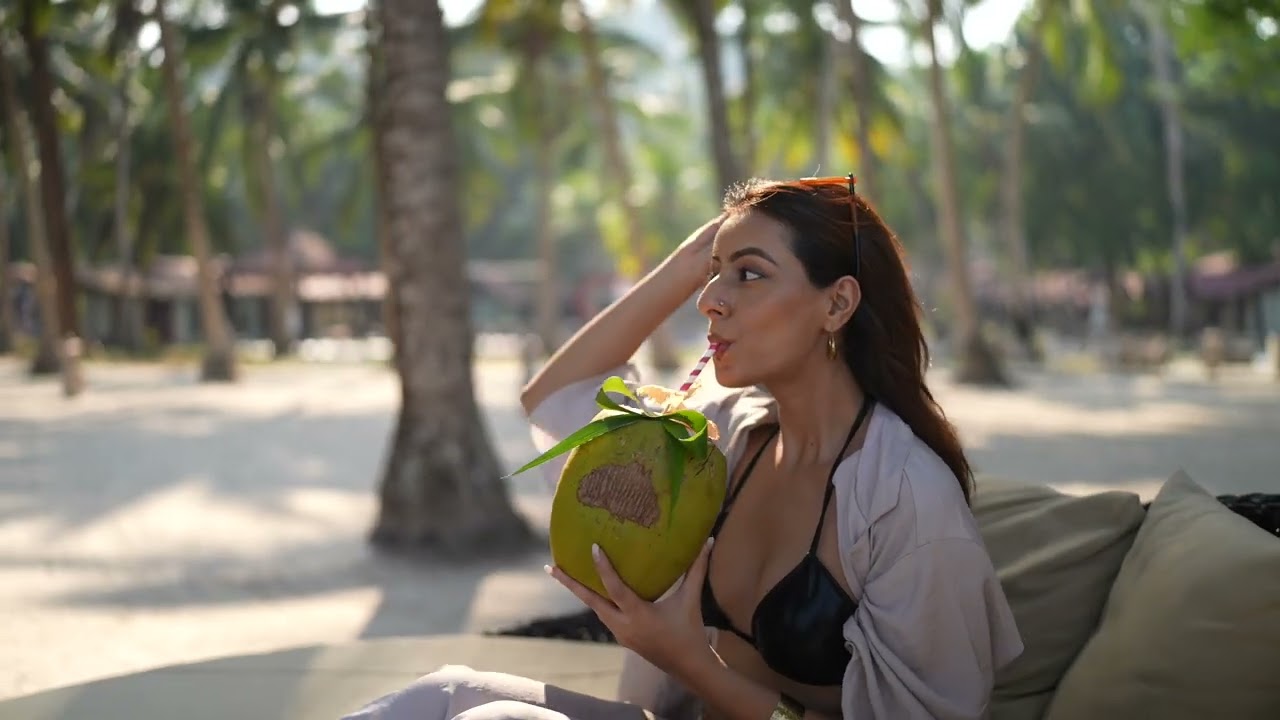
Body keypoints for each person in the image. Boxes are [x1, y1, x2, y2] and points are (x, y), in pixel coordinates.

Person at [342, 176, 1023, 720]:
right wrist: (696, 255)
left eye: (749, 276)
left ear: (837, 304)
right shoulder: (723, 437)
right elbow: (559, 395)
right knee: (443, 696)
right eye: (713, 275)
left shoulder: (904, 499)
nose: (710, 301)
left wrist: (689, 660)